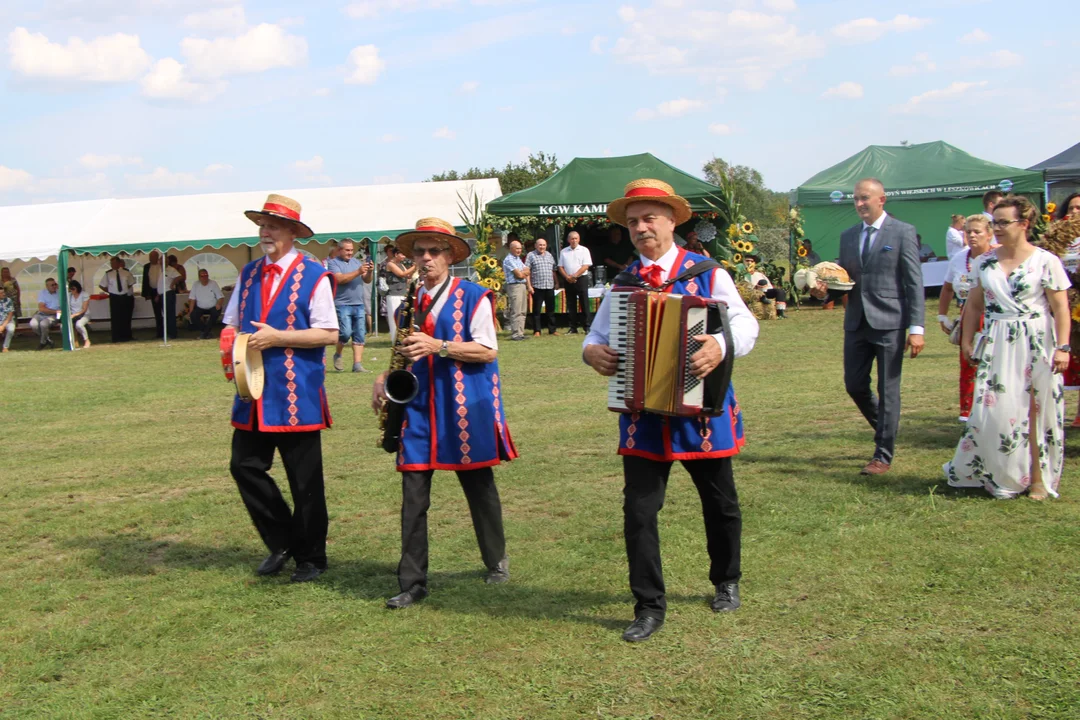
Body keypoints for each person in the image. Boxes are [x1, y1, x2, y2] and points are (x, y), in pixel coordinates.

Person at [583, 179, 759, 643]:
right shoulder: (623, 283)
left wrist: (720, 345)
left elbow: (745, 322)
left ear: (672, 222)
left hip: (703, 411)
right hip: (643, 415)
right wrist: (591, 352)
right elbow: (596, 336)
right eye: (633, 221)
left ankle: (726, 579)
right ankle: (648, 606)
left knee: (720, 502)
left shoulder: (706, 271)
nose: (641, 228)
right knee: (638, 512)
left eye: (649, 219)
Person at [371, 217, 517, 609]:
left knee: (479, 488)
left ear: (450, 255)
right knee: (413, 496)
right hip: (417, 409)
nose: (426, 258)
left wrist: (439, 346)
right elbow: (402, 349)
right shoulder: (410, 301)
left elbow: (487, 350)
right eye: (419, 251)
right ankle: (412, 582)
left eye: (434, 251)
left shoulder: (475, 295)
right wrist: (384, 376)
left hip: (462, 407)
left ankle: (495, 559)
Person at [224, 193, 338, 583]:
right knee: (244, 466)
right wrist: (230, 351)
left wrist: (278, 338)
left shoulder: (314, 274)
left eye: (272, 225)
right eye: (262, 224)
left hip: (296, 392)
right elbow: (231, 321)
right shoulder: (249, 273)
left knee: (304, 479)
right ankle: (283, 540)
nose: (265, 231)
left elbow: (328, 333)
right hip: (253, 391)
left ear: (292, 232)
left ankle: (312, 557)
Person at [945, 195, 1071, 500]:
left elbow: (1061, 308)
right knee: (996, 410)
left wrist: (1063, 346)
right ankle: (997, 472)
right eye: (994, 222)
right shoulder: (983, 261)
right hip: (997, 339)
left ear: (1024, 224)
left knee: (1036, 409)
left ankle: (1038, 479)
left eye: (1004, 222)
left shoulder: (1046, 261)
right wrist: (965, 340)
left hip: (1037, 340)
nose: (997, 228)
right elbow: (974, 305)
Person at [829, 177, 924, 476]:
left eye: (865, 198)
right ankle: (886, 427)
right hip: (856, 322)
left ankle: (882, 454)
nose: (859, 204)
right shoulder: (847, 236)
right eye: (855, 198)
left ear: (881, 199)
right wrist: (825, 290)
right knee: (855, 385)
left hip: (890, 322)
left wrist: (917, 327)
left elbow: (913, 282)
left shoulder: (903, 232)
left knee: (888, 388)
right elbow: (843, 283)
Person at [937, 215, 996, 422]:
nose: (971, 235)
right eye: (968, 231)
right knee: (969, 361)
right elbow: (946, 288)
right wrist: (942, 315)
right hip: (967, 318)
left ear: (989, 234)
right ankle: (969, 412)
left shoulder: (998, 257)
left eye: (977, 231)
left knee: (994, 365)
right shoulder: (959, 258)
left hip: (994, 318)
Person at [327, 238, 374, 373]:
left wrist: (369, 271)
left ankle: (357, 365)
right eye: (347, 250)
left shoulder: (356, 262)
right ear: (340, 250)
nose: (350, 253)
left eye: (352, 250)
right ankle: (338, 354)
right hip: (342, 304)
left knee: (360, 335)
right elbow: (339, 279)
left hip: (358, 303)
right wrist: (359, 271)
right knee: (345, 333)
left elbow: (366, 279)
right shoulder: (333, 263)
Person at [558, 231, 593, 334]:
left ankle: (587, 327)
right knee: (571, 304)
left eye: (576, 238)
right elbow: (560, 267)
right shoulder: (564, 251)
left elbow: (586, 265)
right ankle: (573, 327)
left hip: (581, 279)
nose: (574, 241)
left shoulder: (584, 250)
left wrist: (575, 275)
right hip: (568, 279)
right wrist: (567, 277)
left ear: (579, 239)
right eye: (572, 239)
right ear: (568, 240)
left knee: (584, 303)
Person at [382, 244, 416, 344]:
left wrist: (416, 269)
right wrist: (415, 266)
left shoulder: (402, 265)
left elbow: (408, 275)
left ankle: (403, 339)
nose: (404, 257)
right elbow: (402, 274)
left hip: (403, 294)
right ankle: (395, 340)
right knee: (394, 319)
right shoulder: (390, 264)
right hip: (393, 295)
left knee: (403, 317)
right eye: (403, 255)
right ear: (396, 254)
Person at [142, 250, 180, 339]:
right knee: (160, 314)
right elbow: (153, 282)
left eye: (165, 261)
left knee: (169, 314)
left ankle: (172, 333)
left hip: (167, 292)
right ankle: (162, 332)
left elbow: (179, 276)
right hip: (158, 292)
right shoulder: (156, 268)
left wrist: (172, 284)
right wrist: (155, 294)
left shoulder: (169, 269)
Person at [525, 237, 558, 337]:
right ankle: (537, 331)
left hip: (549, 286)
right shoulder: (531, 255)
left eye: (543, 245)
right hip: (537, 286)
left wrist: (556, 282)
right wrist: (529, 286)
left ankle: (552, 330)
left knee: (551, 310)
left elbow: (553, 270)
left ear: (546, 246)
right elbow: (527, 271)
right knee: (537, 310)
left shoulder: (549, 255)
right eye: (540, 245)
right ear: (536, 246)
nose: (542, 247)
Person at [99, 257, 135, 342]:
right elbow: (101, 285)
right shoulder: (108, 274)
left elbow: (131, 283)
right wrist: (110, 291)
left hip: (124, 296)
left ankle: (126, 336)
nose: (113, 265)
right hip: (114, 297)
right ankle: (116, 337)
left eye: (114, 263)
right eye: (111, 264)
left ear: (119, 263)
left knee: (125, 317)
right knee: (115, 318)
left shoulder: (126, 272)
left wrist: (124, 289)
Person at [502, 238, 529, 341]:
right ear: (511, 249)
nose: (519, 250)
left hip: (522, 285)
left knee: (523, 310)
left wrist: (523, 273)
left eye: (520, 248)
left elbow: (527, 270)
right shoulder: (509, 259)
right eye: (517, 248)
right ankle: (515, 334)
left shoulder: (517, 259)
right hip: (514, 286)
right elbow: (518, 275)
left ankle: (520, 333)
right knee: (516, 310)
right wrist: (523, 273)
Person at [186, 268, 225, 338]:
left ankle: (204, 334)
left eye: (206, 275)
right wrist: (190, 311)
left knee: (215, 313)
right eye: (202, 276)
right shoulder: (195, 284)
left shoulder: (213, 283)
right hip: (200, 307)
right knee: (193, 316)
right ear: (199, 277)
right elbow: (192, 299)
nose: (204, 277)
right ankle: (206, 332)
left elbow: (221, 297)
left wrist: (219, 304)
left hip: (213, 306)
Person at [30, 277, 61, 349]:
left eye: (55, 284)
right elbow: (41, 308)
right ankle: (47, 340)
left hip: (54, 315)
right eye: (52, 285)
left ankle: (42, 342)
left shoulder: (60, 293)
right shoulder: (42, 293)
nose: (54, 286)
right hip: (43, 313)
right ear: (47, 286)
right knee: (33, 324)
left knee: (43, 324)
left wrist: (54, 312)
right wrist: (54, 311)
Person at [67, 280, 91, 348]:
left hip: (84, 314)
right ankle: (71, 342)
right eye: (70, 289)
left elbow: (84, 309)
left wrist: (74, 315)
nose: (72, 291)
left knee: (79, 325)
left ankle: (86, 340)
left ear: (77, 288)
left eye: (73, 289)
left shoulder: (84, 294)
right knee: (63, 326)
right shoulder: (69, 295)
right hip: (72, 315)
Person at [0, 284, 14, 353]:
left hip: (8, 321)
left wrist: (3, 326)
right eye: (1, 293)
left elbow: (10, 315)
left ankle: (5, 347)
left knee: (11, 329)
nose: (3, 294)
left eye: (4, 292)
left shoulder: (8, 300)